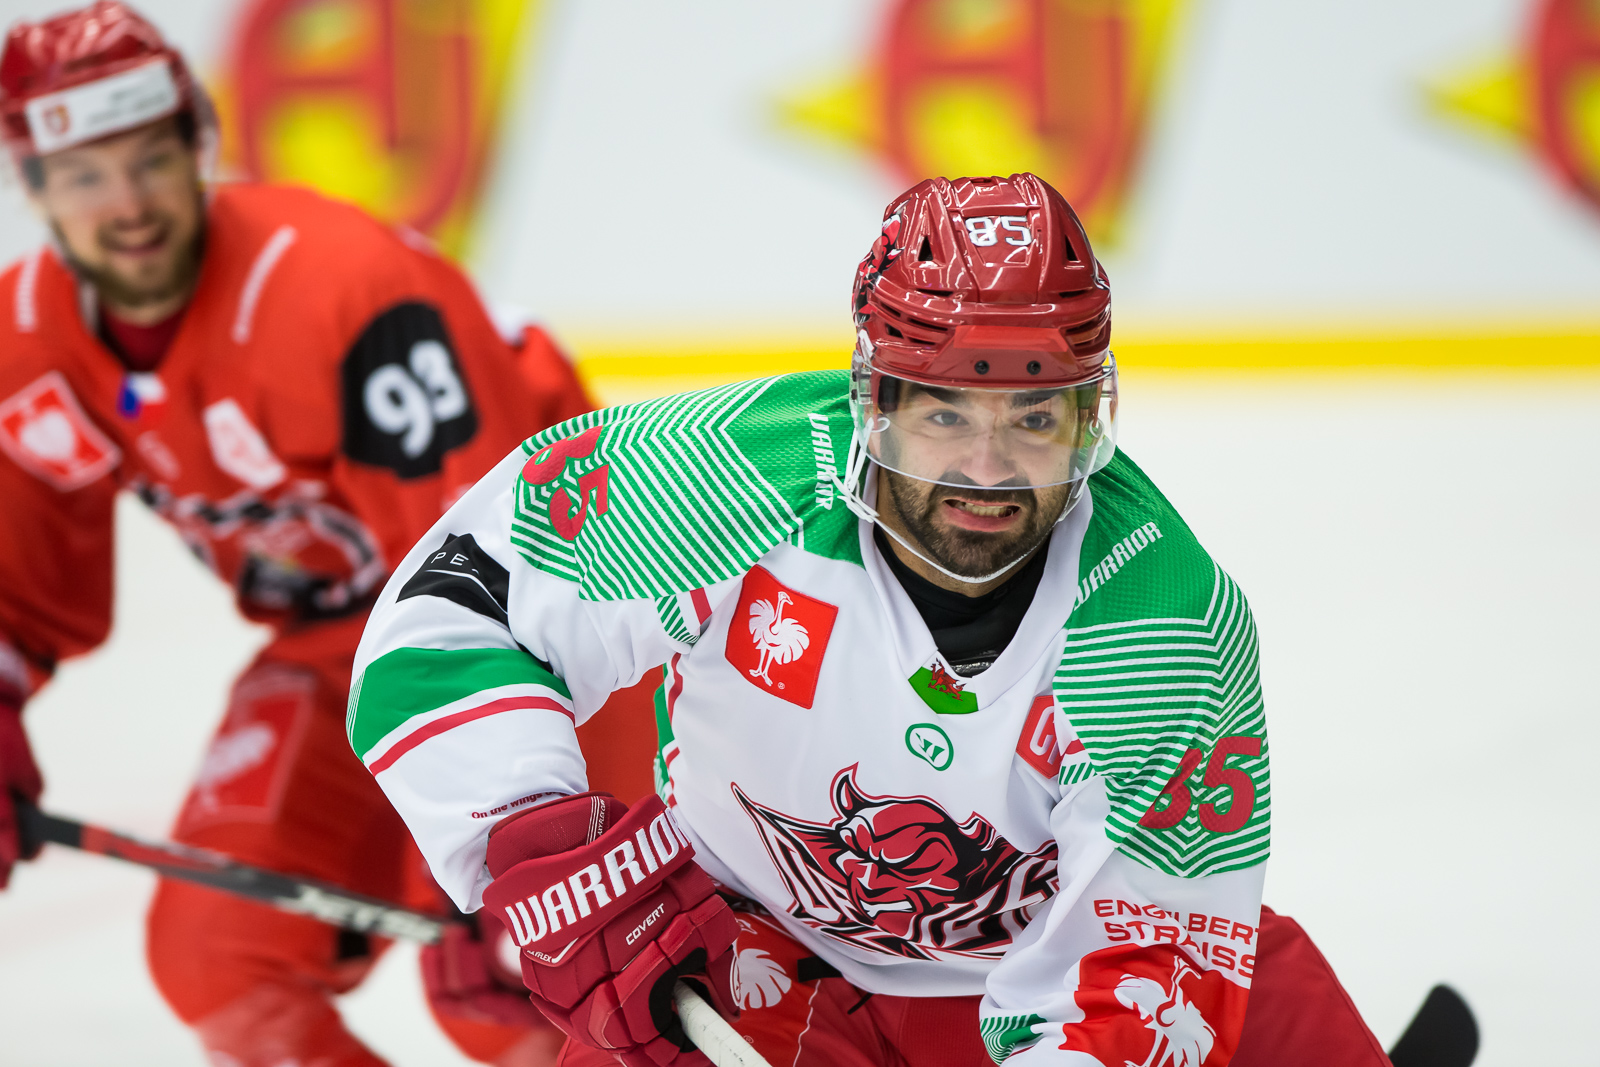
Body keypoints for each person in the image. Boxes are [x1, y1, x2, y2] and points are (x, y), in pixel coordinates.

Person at [348, 172, 1395, 1066]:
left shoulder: (1160, 626)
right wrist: (538, 840)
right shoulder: (722, 478)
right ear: (874, 399)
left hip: (1066, 966)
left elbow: (1139, 978)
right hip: (749, 963)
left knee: (1242, 1009)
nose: (988, 468)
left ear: (1089, 415)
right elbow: (451, 614)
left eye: (1035, 415)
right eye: (945, 410)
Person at [0, 4, 656, 1066]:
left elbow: (509, 569)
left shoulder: (344, 292)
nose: (126, 206)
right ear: (34, 188)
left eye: (149, 159)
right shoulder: (27, 342)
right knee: (221, 956)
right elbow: (12, 588)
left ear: (198, 142)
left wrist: (509, 845)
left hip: (570, 621)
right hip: (351, 640)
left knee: (539, 992)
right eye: (83, 176)